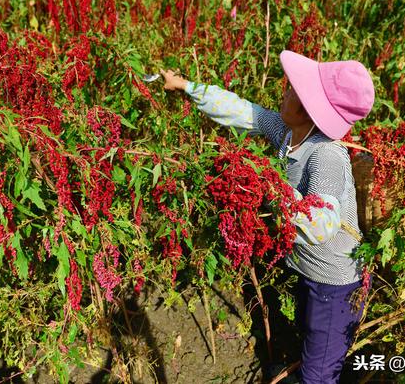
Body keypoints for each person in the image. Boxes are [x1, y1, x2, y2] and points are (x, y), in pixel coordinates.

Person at [160, 50, 375, 384]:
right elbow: (245, 112)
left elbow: (322, 223)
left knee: (320, 372)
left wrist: (269, 183)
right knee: (309, 333)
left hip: (337, 286)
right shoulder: (289, 134)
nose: (285, 91)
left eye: (292, 90)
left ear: (308, 108)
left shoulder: (326, 156)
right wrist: (186, 86)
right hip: (308, 271)